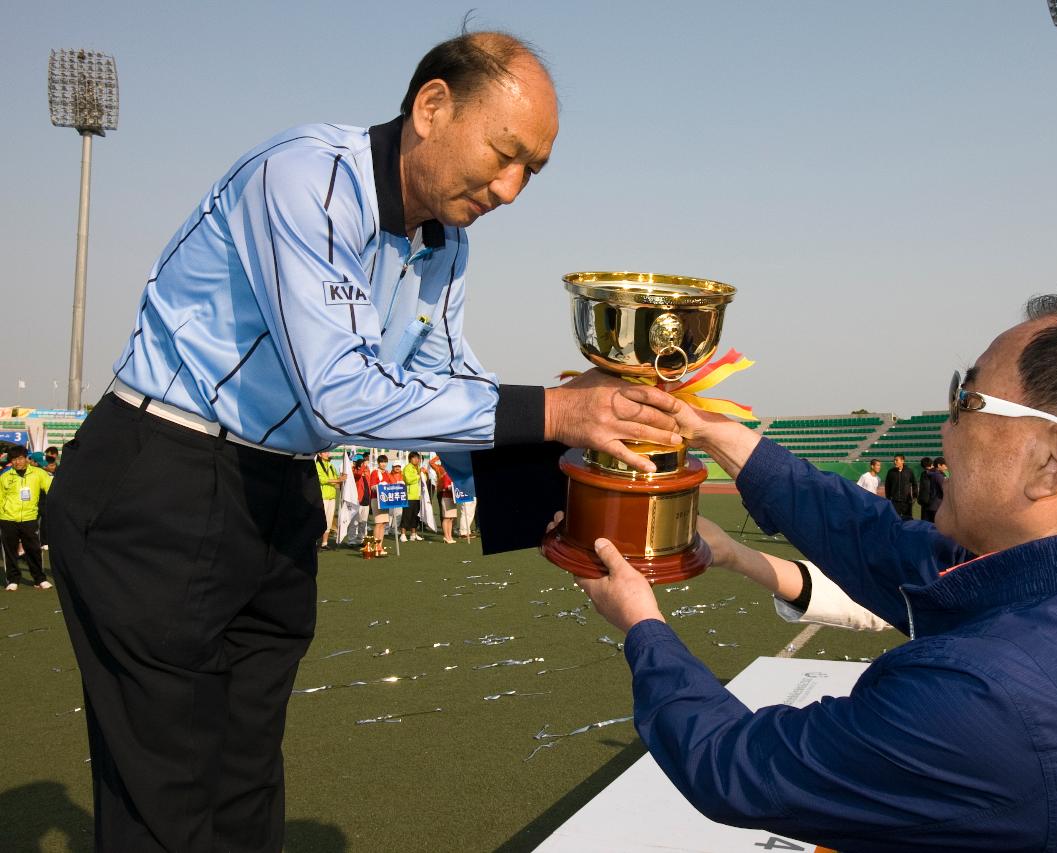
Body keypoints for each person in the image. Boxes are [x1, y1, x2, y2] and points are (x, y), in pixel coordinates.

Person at [45, 30, 683, 852]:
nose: (514, 187)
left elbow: (448, 380)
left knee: (245, 780)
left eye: (535, 168)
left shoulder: (444, 243)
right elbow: (340, 391)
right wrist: (558, 414)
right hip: (160, 479)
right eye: (505, 152)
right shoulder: (305, 178)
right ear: (431, 107)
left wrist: (560, 503)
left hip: (275, 493)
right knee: (164, 796)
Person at [577, 293, 1057, 850]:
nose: (944, 432)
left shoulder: (988, 698)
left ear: (1051, 459)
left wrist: (642, 624)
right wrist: (713, 431)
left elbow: (737, 767)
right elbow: (880, 542)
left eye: (965, 401)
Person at [2, 446, 54, 591]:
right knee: (10, 551)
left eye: (19, 458)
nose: (17, 462)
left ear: (26, 458)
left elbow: (51, 490)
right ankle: (13, 580)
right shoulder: (5, 476)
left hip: (30, 518)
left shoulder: (39, 473)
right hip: (7, 518)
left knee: (34, 550)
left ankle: (40, 579)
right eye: (13, 459)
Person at [314, 450, 343, 550]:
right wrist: (338, 480)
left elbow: (336, 479)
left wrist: (342, 479)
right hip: (322, 496)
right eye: (325, 452)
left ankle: (324, 543)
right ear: (320, 454)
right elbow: (321, 479)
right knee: (319, 520)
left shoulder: (331, 465)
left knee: (329, 521)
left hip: (332, 496)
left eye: (328, 453)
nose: (328, 454)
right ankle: (314, 542)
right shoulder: (317, 465)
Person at [432, 454, 458, 543]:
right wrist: (440, 455)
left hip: (452, 497)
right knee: (446, 517)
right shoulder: (442, 471)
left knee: (451, 518)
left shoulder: (452, 474)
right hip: (445, 495)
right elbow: (446, 486)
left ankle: (450, 536)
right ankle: (446, 536)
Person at [882, 454, 916, 520]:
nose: (895, 462)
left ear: (902, 461)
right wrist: (888, 497)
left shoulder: (909, 471)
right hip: (894, 501)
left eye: (896, 460)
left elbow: (914, 484)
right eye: (894, 460)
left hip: (906, 501)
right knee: (894, 519)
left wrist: (915, 496)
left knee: (908, 520)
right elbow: (887, 486)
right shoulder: (890, 472)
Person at [402, 451, 424, 541]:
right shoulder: (408, 467)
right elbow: (408, 480)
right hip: (410, 495)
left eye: (417, 458)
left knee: (416, 516)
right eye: (414, 458)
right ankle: (403, 534)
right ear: (410, 459)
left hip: (418, 496)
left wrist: (423, 474)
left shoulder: (419, 468)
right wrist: (419, 476)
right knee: (407, 515)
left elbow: (423, 480)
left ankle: (413, 534)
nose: (416, 460)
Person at [916, 456, 937, 522]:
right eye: (925, 469)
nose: (927, 470)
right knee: (924, 523)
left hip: (934, 504)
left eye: (928, 468)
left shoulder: (937, 474)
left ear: (932, 465)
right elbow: (922, 488)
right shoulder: (923, 474)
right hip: (924, 504)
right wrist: (920, 499)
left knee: (934, 524)